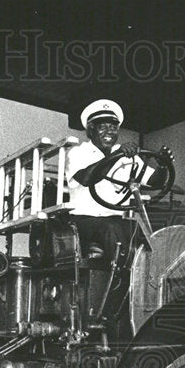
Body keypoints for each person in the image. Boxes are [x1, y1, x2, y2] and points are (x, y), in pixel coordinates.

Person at [65, 99, 173, 262]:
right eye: (103, 127)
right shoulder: (78, 152)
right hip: (85, 221)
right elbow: (86, 179)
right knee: (113, 229)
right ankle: (126, 280)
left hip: (118, 220)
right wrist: (116, 156)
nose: (109, 131)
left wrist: (163, 166)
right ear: (91, 130)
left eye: (113, 127)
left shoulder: (126, 155)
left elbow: (154, 182)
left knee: (159, 228)